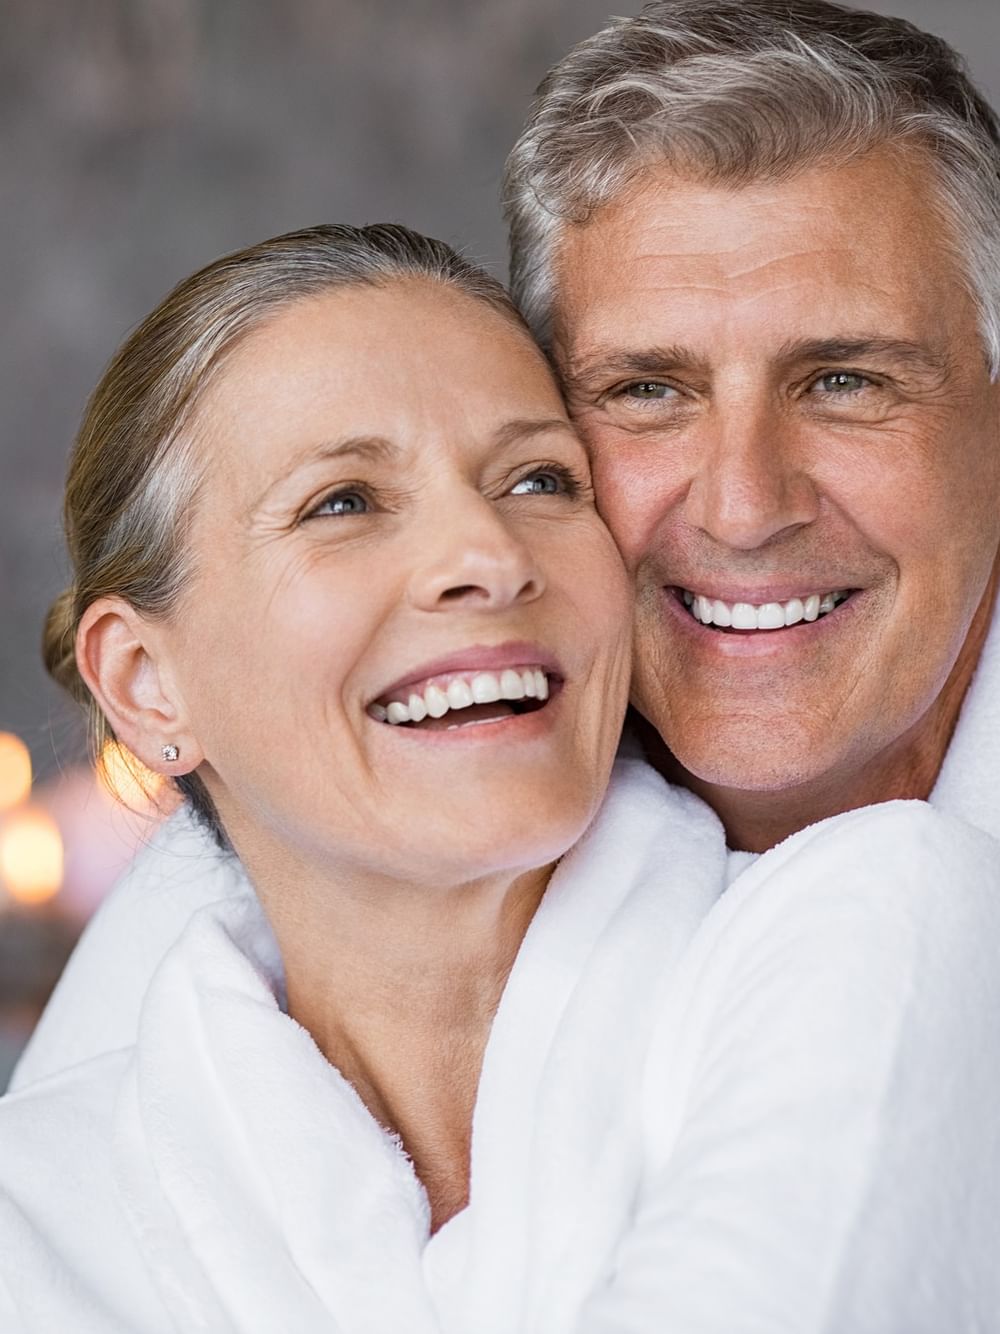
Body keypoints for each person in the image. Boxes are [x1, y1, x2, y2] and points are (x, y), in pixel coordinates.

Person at [2, 222, 998, 1334]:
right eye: (344, 501)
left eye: (538, 478)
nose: (487, 554)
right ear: (146, 685)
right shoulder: (37, 1211)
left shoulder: (880, 921)